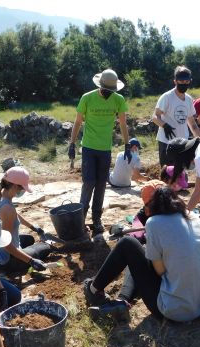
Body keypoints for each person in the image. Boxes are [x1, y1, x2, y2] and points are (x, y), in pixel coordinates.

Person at [83, 185, 200, 322]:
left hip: (174, 311)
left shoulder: (153, 223)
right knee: (141, 253)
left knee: (127, 244)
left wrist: (149, 255)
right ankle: (122, 300)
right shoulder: (193, 217)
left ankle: (93, 290)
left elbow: (160, 271)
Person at [68, 68, 130, 234]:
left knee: (102, 184)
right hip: (89, 147)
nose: (109, 93)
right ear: (100, 86)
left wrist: (127, 145)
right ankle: (81, 218)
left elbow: (123, 123)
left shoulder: (118, 100)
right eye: (106, 90)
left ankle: (96, 219)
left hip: (105, 149)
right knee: (89, 182)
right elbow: (78, 122)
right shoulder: (87, 98)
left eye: (111, 91)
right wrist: (72, 143)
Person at [0, 166, 50, 273]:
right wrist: (31, 261)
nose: (22, 191)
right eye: (22, 188)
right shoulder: (7, 209)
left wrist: (33, 227)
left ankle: (23, 253)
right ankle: (17, 265)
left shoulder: (1, 196)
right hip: (7, 259)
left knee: (30, 239)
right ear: (14, 185)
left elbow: (15, 215)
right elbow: (6, 244)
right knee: (45, 247)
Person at [152, 66, 200, 166]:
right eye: (181, 81)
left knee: (182, 174)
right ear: (175, 81)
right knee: (168, 175)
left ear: (190, 81)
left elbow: (192, 124)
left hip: (183, 143)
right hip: (167, 142)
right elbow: (155, 116)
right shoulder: (167, 97)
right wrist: (164, 125)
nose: (184, 83)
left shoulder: (188, 99)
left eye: (186, 81)